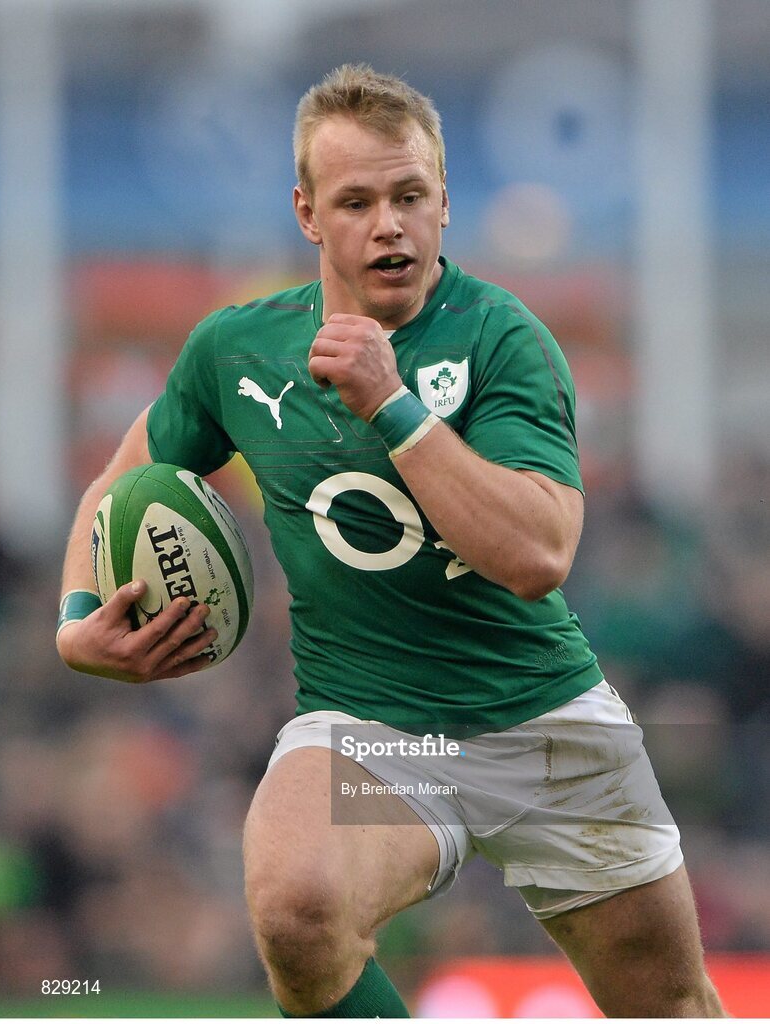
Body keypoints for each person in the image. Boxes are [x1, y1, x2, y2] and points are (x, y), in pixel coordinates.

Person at [57, 64, 724, 1018]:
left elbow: (538, 556)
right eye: (356, 201)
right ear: (307, 213)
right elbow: (122, 481)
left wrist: (392, 404)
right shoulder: (235, 351)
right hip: (374, 737)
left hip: (542, 729)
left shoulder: (503, 340)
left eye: (409, 196)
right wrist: (79, 617)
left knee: (668, 1005)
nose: (388, 224)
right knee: (295, 907)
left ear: (444, 202)